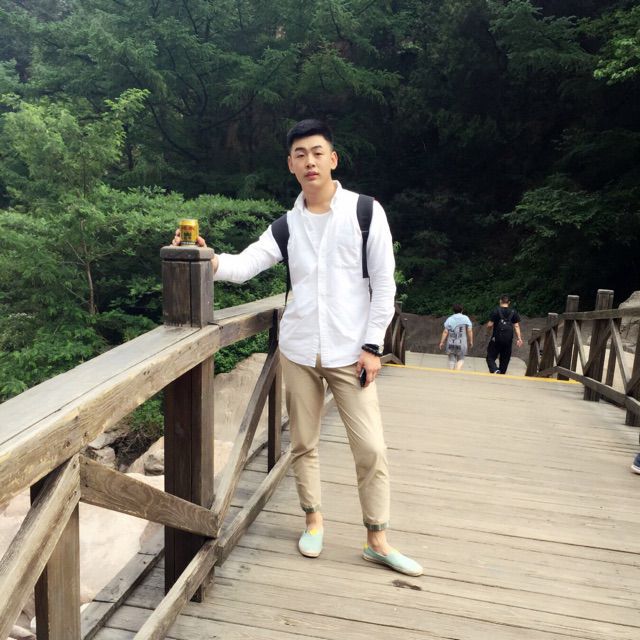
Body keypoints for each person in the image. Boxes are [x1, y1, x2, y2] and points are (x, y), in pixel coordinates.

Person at [172, 119, 422, 577]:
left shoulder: (365, 212)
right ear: (290, 165)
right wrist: (207, 256)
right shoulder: (286, 226)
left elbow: (384, 285)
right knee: (304, 443)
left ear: (333, 159)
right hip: (300, 349)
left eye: (317, 152)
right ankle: (313, 521)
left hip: (352, 352)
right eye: (300, 154)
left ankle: (377, 539)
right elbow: (245, 266)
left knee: (371, 448)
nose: (310, 161)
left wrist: (373, 346)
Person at [485, 294, 523, 374]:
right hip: (508, 340)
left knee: (490, 357)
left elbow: (490, 325)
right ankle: (501, 373)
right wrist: (519, 338)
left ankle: (495, 370)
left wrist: (488, 332)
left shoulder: (496, 311)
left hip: (496, 338)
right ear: (509, 302)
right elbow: (516, 326)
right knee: (505, 358)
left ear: (500, 301)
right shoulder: (513, 312)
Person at [439, 304, 473, 370]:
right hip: (462, 343)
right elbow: (469, 330)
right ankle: (457, 372)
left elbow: (445, 331)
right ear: (462, 310)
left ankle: (452, 373)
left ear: (453, 310)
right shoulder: (465, 318)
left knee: (451, 359)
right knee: (461, 359)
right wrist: (471, 341)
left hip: (451, 342)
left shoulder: (450, 319)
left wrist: (442, 342)